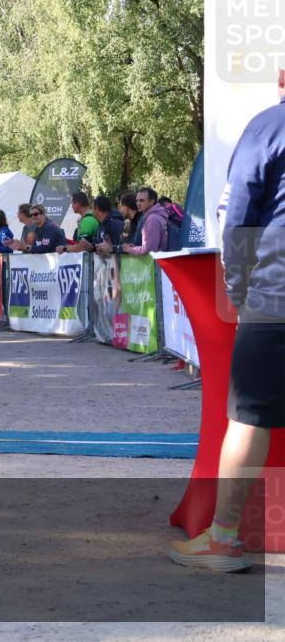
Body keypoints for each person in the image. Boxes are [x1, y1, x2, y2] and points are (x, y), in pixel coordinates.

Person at [169, 69, 285, 572]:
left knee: (247, 419)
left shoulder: (268, 127)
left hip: (275, 298)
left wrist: (236, 289)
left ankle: (223, 541)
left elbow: (236, 215)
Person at [122, 187, 168, 255]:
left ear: (152, 201)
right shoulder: (154, 216)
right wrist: (135, 248)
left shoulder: (152, 219)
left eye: (142, 200)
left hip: (155, 263)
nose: (138, 203)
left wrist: (130, 249)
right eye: (137, 200)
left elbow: (150, 250)